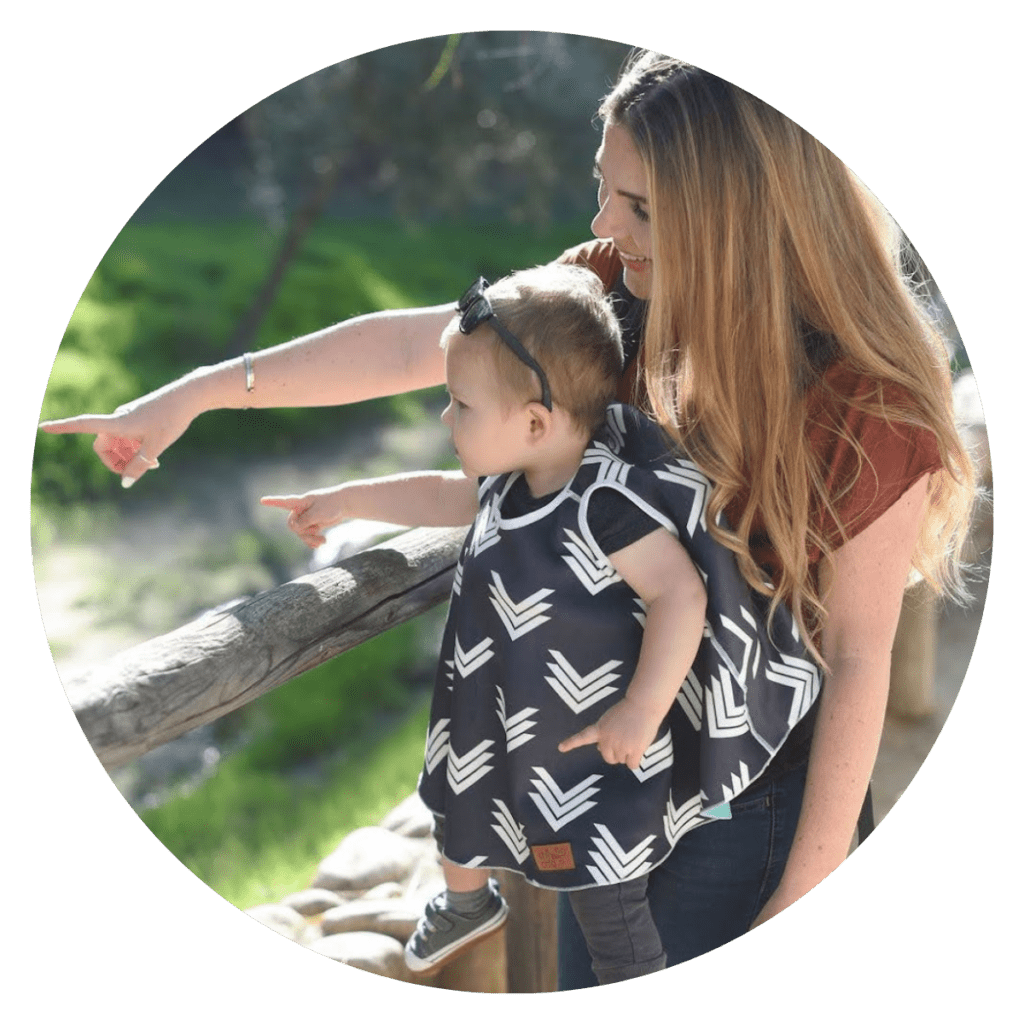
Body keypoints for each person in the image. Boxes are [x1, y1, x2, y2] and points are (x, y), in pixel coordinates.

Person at [39, 51, 975, 988]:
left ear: (740, 217)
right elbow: (426, 342)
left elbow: (857, 657)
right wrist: (197, 395)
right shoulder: (617, 291)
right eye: (604, 191)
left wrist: (804, 896)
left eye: (641, 207)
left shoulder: (863, 401)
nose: (606, 225)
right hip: (610, 798)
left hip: (751, 816)